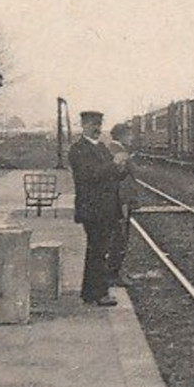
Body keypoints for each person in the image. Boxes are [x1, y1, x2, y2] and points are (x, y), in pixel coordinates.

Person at [68, 110, 130, 307]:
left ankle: (89, 293)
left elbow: (112, 175)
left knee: (97, 249)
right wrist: (113, 164)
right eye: (93, 124)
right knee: (99, 250)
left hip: (106, 207)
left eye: (99, 124)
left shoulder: (102, 147)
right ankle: (100, 293)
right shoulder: (78, 150)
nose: (97, 128)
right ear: (83, 125)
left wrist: (123, 167)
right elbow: (90, 175)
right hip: (93, 208)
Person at [103, 121, 140, 287]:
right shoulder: (116, 151)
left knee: (120, 237)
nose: (132, 138)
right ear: (122, 135)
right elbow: (121, 180)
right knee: (119, 237)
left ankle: (116, 272)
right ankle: (113, 274)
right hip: (120, 201)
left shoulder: (117, 149)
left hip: (122, 200)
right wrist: (125, 203)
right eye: (130, 134)